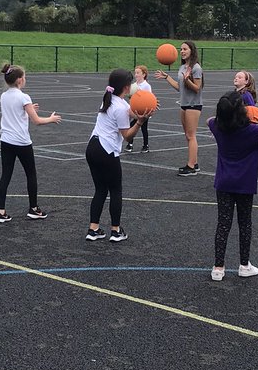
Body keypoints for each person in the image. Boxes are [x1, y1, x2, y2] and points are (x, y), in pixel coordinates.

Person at [208, 91, 258, 280]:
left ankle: (218, 267)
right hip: (245, 184)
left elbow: (210, 119)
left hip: (224, 183)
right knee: (245, 223)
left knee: (223, 224)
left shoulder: (216, 126)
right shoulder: (253, 130)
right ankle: (244, 265)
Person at [85, 69, 147, 242]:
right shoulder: (120, 107)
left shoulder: (109, 99)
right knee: (116, 190)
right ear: (127, 88)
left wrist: (144, 111)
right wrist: (140, 123)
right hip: (106, 150)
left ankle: (93, 229)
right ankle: (115, 231)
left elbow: (132, 112)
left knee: (100, 190)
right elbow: (128, 136)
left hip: (92, 147)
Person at [0, 62, 61, 222]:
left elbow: (16, 113)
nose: (25, 79)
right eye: (24, 77)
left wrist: (29, 109)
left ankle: (1, 211)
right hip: (21, 142)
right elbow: (37, 121)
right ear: (19, 80)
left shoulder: (4, 96)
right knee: (31, 174)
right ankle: (33, 208)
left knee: (6, 175)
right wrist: (51, 119)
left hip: (6, 140)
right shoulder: (24, 97)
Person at [156, 40, 203, 175]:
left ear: (191, 51)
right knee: (188, 136)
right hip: (184, 104)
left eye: (185, 49)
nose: (182, 51)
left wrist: (188, 80)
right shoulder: (183, 67)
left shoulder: (196, 68)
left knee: (191, 135)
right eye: (181, 49)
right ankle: (194, 162)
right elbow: (179, 88)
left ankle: (191, 167)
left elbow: (197, 88)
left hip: (193, 105)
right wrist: (167, 77)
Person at [125, 64, 153, 153]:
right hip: (135, 110)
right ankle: (130, 144)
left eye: (138, 73)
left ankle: (145, 145)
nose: (136, 74)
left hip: (144, 111)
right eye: (135, 73)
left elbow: (149, 98)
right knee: (131, 126)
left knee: (143, 128)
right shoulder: (133, 85)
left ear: (144, 74)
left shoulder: (146, 86)